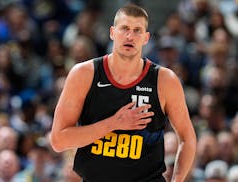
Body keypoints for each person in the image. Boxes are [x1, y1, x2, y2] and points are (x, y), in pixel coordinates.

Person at [51, 3, 196, 182]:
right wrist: (114, 123)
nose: (130, 36)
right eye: (125, 28)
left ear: (146, 38)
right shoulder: (83, 74)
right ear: (112, 32)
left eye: (137, 30)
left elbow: (187, 138)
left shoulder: (165, 80)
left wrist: (178, 179)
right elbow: (58, 140)